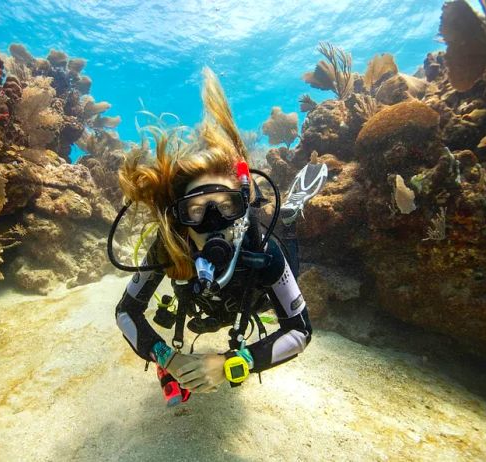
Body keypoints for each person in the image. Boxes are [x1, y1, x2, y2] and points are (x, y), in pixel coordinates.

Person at [113, 68, 327, 400]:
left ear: (243, 208)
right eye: (197, 210)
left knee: (288, 249)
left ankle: (287, 214)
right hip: (207, 305)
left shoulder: (264, 251)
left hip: (251, 294)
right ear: (180, 219)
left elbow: (299, 330)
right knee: (204, 321)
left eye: (226, 207)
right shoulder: (169, 248)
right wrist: (166, 355)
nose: (215, 223)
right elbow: (126, 311)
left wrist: (231, 362)